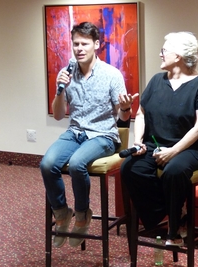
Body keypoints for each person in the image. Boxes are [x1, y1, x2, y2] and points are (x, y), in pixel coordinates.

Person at [40, 21, 138, 248]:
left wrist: (125, 108)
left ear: (96, 45)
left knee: (76, 164)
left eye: (84, 44)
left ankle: (83, 215)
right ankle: (63, 213)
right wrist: (59, 91)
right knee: (47, 164)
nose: (79, 48)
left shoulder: (111, 74)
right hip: (74, 132)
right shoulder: (67, 73)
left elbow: (124, 119)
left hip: (104, 136)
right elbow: (57, 116)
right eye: (76, 44)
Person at [120, 31, 198, 246]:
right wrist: (138, 141)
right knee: (130, 168)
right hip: (156, 145)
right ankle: (168, 213)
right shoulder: (156, 81)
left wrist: (174, 151)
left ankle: (173, 231)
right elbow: (142, 113)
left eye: (164, 50)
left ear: (179, 55)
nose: (160, 54)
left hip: (194, 148)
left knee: (174, 171)